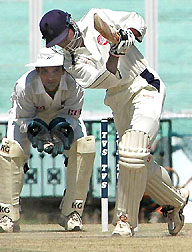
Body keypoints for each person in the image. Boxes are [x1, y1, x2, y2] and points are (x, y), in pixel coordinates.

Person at [39, 9, 189, 237]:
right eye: (58, 42)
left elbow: (138, 21)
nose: (64, 45)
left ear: (71, 24)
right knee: (137, 163)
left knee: (132, 150)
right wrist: (116, 53)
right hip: (119, 102)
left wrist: (128, 34)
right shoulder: (71, 64)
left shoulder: (95, 17)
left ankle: (124, 220)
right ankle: (175, 201)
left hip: (144, 87)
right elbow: (105, 78)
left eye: (64, 38)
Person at [0, 47, 96, 233]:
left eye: (56, 70)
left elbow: (72, 117)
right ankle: (8, 215)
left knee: (85, 148)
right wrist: (34, 129)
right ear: (38, 71)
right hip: (29, 117)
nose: (51, 77)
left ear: (64, 70)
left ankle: (72, 213)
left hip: (63, 117)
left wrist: (62, 130)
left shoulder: (75, 84)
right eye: (45, 71)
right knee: (11, 151)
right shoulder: (24, 85)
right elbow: (21, 119)